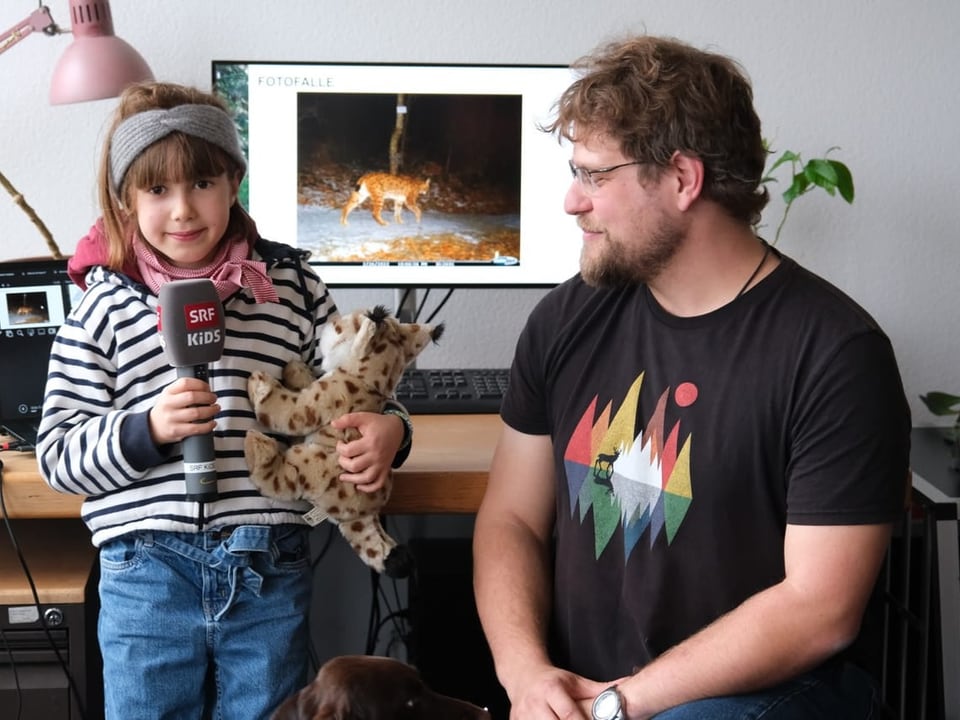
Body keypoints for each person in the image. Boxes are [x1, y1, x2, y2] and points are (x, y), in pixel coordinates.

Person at [472, 35, 910, 720]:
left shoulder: (835, 353)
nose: (569, 201)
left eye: (595, 175)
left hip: (760, 697)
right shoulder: (566, 318)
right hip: (588, 697)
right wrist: (527, 675)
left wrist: (620, 704)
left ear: (682, 178)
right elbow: (512, 519)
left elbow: (819, 608)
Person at [37, 81, 413, 719]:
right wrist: (145, 429)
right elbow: (58, 455)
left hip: (267, 562)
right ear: (127, 198)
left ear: (234, 179)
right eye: (157, 190)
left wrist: (391, 432)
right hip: (145, 575)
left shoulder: (290, 287)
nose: (183, 209)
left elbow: (360, 387)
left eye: (202, 183)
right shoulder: (102, 306)